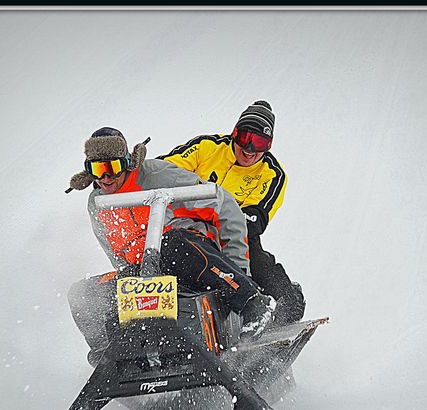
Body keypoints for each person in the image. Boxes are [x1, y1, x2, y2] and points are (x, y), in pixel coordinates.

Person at [66, 127, 276, 367]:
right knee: (83, 293)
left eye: (111, 167)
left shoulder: (157, 178)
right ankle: (113, 354)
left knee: (169, 245)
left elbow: (225, 207)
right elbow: (119, 257)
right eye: (97, 170)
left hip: (191, 258)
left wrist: (238, 272)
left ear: (126, 162)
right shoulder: (98, 204)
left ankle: (253, 302)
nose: (105, 178)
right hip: (151, 276)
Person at [157, 100, 305, 326]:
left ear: (269, 145)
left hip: (234, 231)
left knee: (254, 256)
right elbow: (165, 169)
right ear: (235, 133)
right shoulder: (207, 147)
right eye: (246, 138)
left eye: (260, 143)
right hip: (188, 223)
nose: (250, 149)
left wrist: (224, 214)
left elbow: (256, 219)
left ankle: (286, 303)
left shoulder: (272, 174)